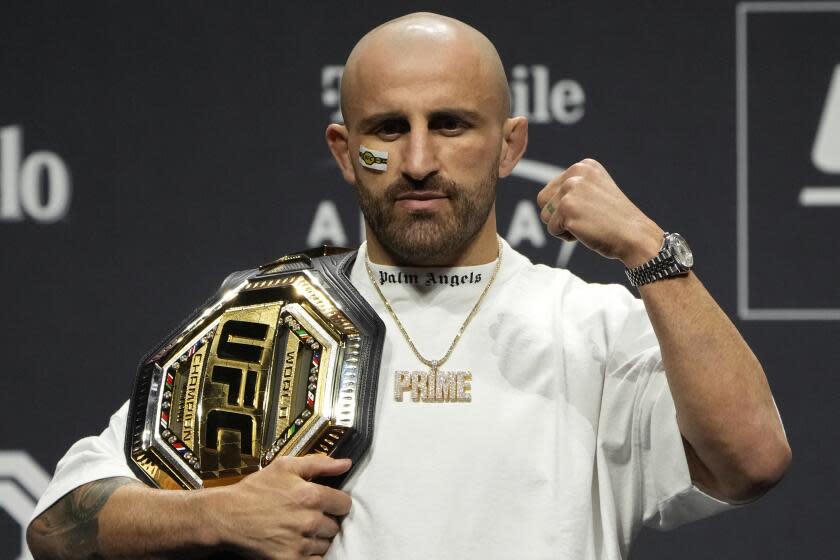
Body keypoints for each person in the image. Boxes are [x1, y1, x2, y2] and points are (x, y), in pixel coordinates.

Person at [26, 12, 790, 560]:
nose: (419, 159)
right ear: (344, 150)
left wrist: (652, 252)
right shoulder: (268, 323)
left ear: (509, 144)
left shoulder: (591, 325)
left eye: (452, 124)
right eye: (388, 129)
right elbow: (57, 526)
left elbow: (752, 460)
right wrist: (217, 514)